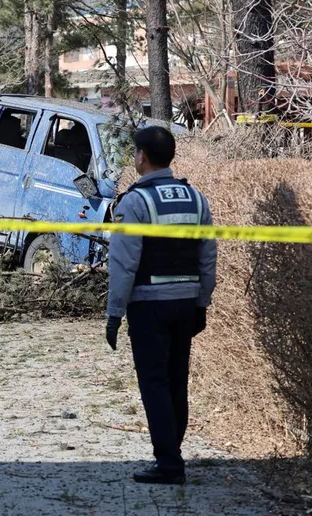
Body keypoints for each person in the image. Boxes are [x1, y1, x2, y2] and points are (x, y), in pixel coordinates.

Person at [105, 126, 218, 485]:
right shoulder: (196, 198)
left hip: (149, 305)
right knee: (175, 381)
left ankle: (169, 463)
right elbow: (208, 256)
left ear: (141, 156)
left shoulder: (135, 202)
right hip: (186, 304)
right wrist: (203, 301)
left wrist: (114, 312)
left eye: (135, 152)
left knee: (153, 382)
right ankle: (172, 453)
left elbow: (124, 263)